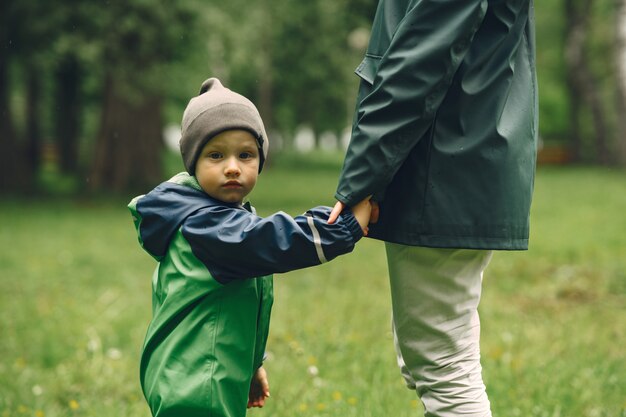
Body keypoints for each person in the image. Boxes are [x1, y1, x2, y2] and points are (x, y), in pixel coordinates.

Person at [328, 1, 538, 416]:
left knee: (445, 367)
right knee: (436, 358)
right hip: (463, 154)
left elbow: (420, 58)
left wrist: (362, 177)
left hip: (443, 161)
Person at [128, 78, 371, 417]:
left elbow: (239, 304)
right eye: (215, 155)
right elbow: (276, 240)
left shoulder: (226, 218)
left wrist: (249, 365)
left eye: (245, 155)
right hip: (196, 382)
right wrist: (344, 227)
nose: (232, 167)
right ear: (193, 162)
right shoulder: (205, 226)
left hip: (201, 373)